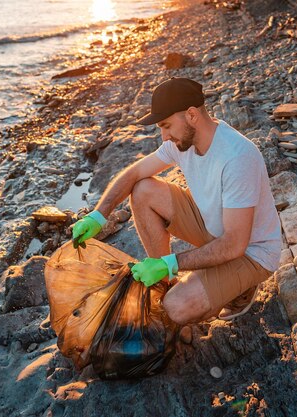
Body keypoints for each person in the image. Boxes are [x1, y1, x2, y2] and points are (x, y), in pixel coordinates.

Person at [72, 77, 281, 324]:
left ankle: (240, 288)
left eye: (166, 125)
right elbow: (134, 173)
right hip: (212, 226)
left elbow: (234, 245)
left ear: (191, 115)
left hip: (250, 252)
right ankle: (164, 284)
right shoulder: (182, 142)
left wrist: (170, 263)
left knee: (175, 308)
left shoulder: (237, 158)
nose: (164, 136)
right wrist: (98, 215)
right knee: (142, 190)